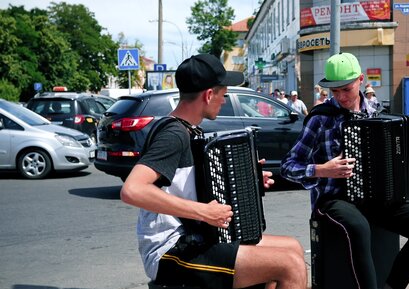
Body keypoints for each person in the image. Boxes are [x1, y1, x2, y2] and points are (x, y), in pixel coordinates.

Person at [121, 54, 306, 289]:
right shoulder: (173, 135)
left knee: (292, 248)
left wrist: (251, 181)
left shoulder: (189, 131)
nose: (224, 101)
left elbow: (194, 186)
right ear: (209, 95)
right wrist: (204, 212)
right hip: (170, 250)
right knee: (290, 265)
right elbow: (133, 190)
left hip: (195, 238)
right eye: (224, 95)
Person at [280, 53, 409, 289]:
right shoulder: (320, 118)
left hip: (375, 199)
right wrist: (322, 170)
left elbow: (401, 166)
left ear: (360, 80)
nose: (340, 97)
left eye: (346, 89)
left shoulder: (377, 112)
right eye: (334, 91)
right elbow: (288, 167)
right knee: (358, 226)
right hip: (332, 199)